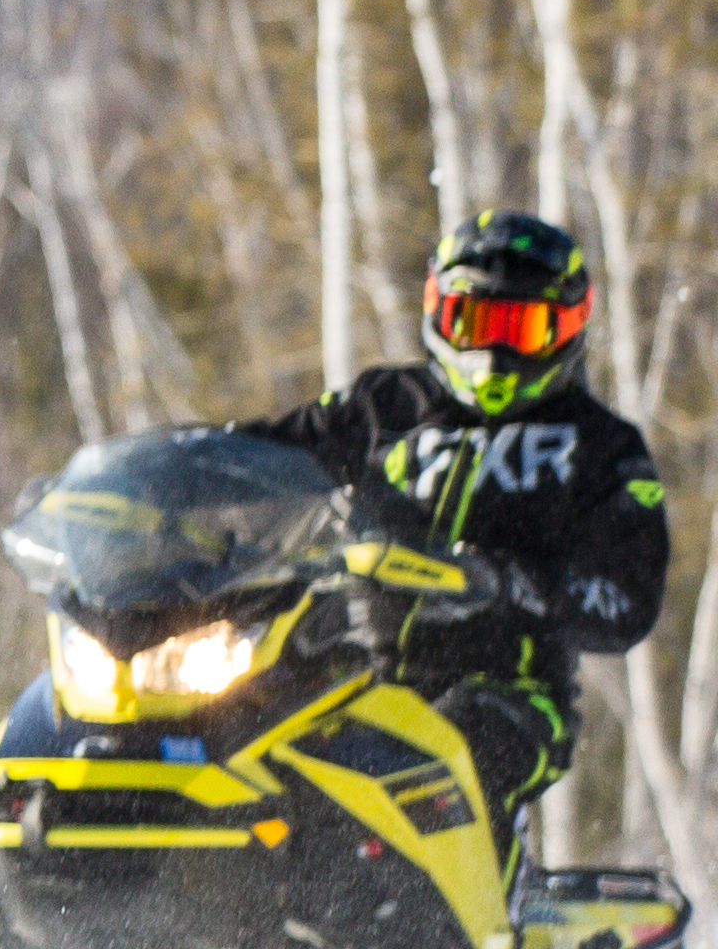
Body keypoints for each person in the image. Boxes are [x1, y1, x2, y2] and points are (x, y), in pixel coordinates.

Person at [236, 211, 672, 834]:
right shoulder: (384, 406)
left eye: (520, 329)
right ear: (438, 312)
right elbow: (261, 456)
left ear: (566, 328)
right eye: (473, 323)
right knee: (222, 725)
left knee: (431, 761)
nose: (492, 351)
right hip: (345, 673)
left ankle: (455, 923)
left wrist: (509, 583)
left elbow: (627, 599)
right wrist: (168, 473)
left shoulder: (601, 447)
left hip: (512, 694)